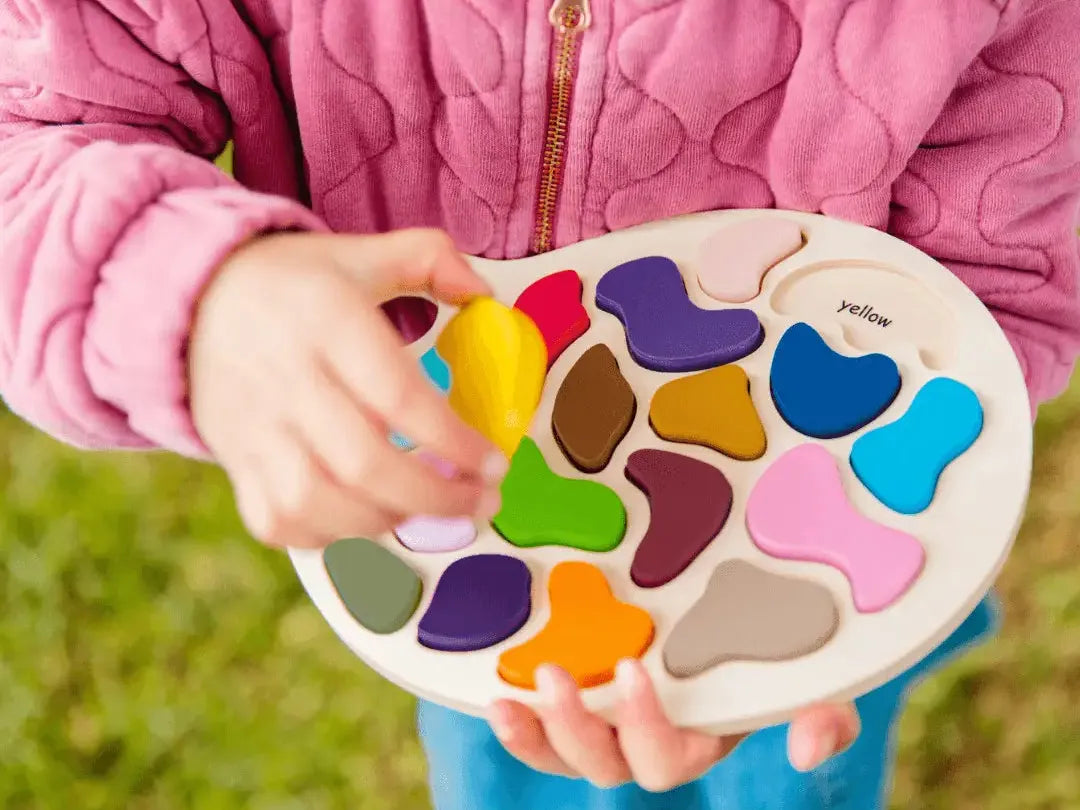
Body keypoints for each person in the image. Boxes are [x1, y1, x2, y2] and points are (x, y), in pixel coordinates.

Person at [2, 1, 1077, 808]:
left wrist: (900, 512)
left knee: (795, 774)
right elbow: (31, 133)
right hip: (470, 518)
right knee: (513, 764)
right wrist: (198, 299)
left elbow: (1002, 283)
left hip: (809, 545)